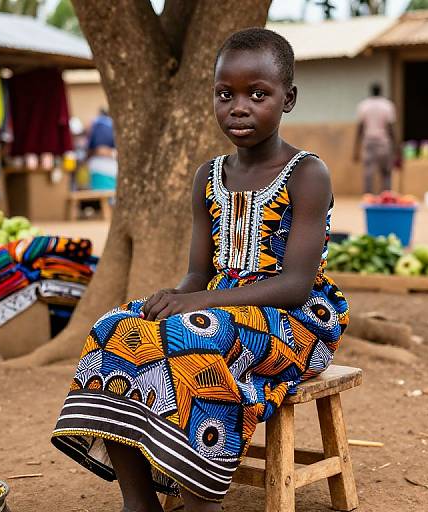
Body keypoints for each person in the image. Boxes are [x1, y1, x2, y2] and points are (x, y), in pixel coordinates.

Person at [51, 28, 349, 512]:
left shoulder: (307, 174)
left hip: (297, 320)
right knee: (115, 329)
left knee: (193, 341)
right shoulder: (207, 177)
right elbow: (197, 273)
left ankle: (201, 501)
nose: (239, 107)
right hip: (220, 305)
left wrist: (198, 302)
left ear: (287, 98)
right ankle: (139, 502)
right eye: (224, 94)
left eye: (258, 94)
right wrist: (172, 298)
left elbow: (295, 285)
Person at [354, 83, 397, 194]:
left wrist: (356, 149)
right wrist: (397, 147)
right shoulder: (387, 105)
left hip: (368, 142)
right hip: (384, 142)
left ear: (371, 91)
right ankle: (387, 197)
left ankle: (368, 197)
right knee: (386, 172)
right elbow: (391, 128)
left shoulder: (363, 105)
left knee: (368, 172)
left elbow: (360, 128)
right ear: (381, 91)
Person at [86, 107, 118, 190]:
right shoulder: (109, 125)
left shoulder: (100, 125)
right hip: (108, 170)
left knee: (103, 198)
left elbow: (100, 150)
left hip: (101, 170)